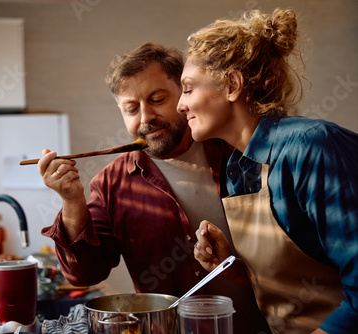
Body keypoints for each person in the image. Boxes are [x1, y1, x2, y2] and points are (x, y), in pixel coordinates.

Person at [38, 42, 270, 333]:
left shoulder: (236, 153)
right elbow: (84, 274)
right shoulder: (111, 184)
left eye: (158, 99)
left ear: (184, 94)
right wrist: (71, 201)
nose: (146, 118)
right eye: (131, 108)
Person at [177, 8, 358, 334]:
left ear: (231, 84)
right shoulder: (238, 169)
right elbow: (289, 286)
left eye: (188, 88)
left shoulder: (312, 147)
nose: (180, 105)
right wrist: (229, 266)